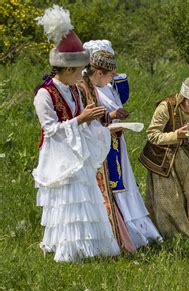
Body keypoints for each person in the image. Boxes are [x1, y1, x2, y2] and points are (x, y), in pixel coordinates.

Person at [33, 5, 120, 262]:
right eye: (80, 71)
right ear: (68, 70)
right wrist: (79, 120)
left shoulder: (74, 91)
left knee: (84, 198)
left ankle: (86, 247)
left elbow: (82, 121)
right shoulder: (44, 94)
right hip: (59, 154)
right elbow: (50, 131)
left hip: (78, 151)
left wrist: (100, 125)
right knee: (67, 200)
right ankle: (66, 249)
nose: (83, 76)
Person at [81, 40, 162, 249]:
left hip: (116, 142)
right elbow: (88, 120)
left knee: (125, 184)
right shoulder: (87, 90)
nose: (112, 79)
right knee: (112, 187)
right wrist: (111, 117)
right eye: (109, 75)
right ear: (98, 73)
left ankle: (136, 229)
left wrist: (116, 117)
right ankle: (118, 233)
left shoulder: (106, 87)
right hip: (101, 147)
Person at [140, 69, 189, 241]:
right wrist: (176, 135)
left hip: (185, 154)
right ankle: (177, 239)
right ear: (183, 98)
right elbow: (152, 135)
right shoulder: (166, 107)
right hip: (162, 156)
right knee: (170, 199)